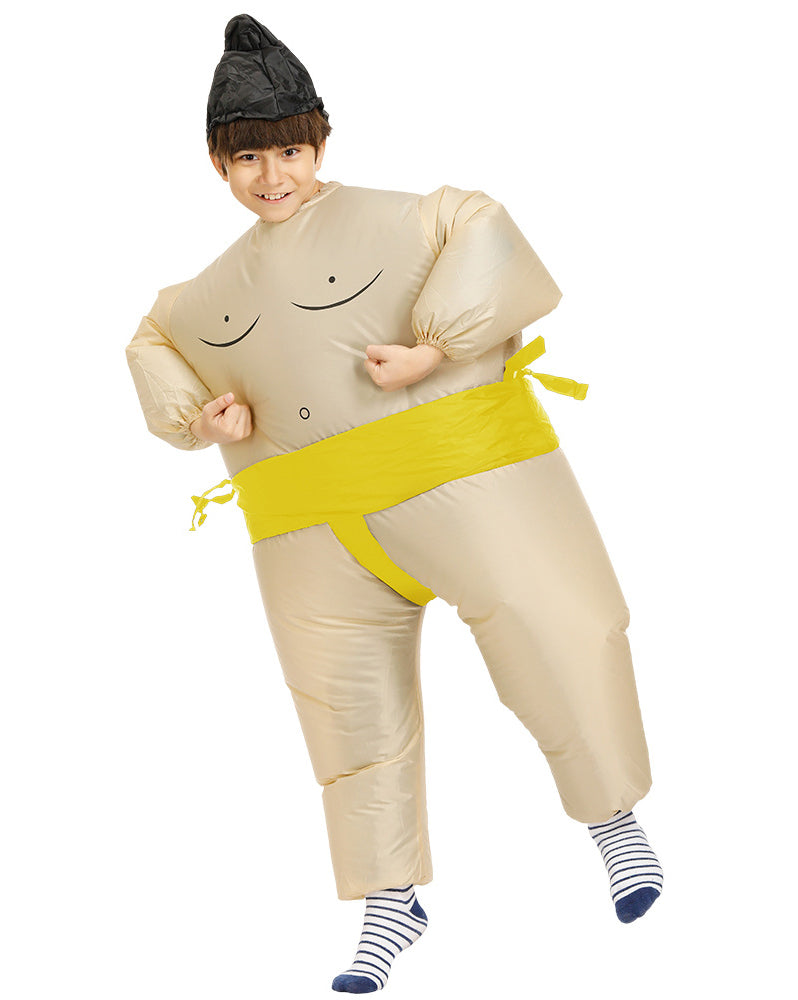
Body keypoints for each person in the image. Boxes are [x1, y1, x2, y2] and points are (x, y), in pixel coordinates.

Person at [126, 14, 663, 994]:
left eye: (289, 150)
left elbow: (482, 223)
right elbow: (152, 338)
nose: (272, 175)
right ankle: (390, 902)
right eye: (247, 158)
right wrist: (200, 416)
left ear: (321, 143)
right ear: (218, 164)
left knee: (559, 631)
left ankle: (614, 822)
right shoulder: (207, 292)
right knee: (345, 714)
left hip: (463, 482)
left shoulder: (404, 220)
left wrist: (436, 347)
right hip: (311, 529)